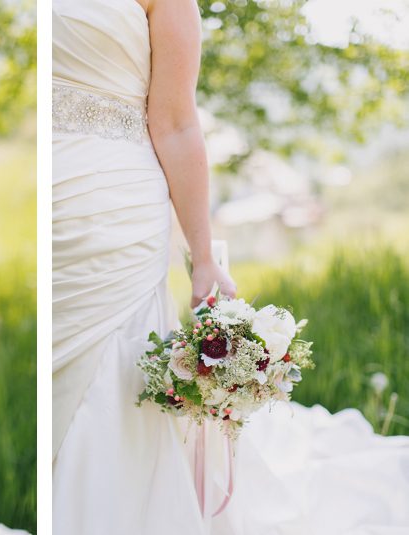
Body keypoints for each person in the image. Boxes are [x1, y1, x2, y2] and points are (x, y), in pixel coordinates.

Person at [53, 1, 409, 533]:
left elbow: (174, 124)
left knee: (113, 375)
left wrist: (202, 258)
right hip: (52, 192)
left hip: (112, 211)